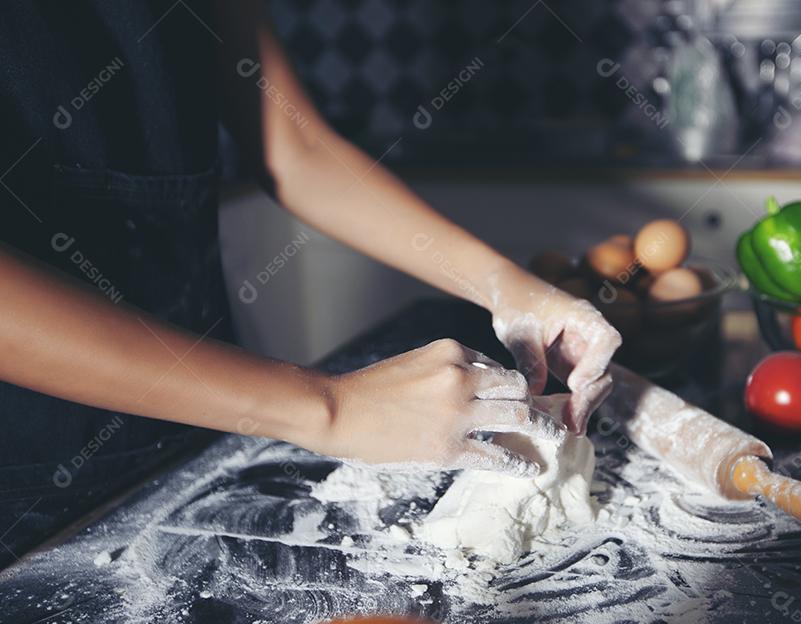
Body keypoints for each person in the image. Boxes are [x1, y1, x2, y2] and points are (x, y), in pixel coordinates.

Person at [0, 0, 620, 551]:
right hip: (27, 485)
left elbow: (298, 151)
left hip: (202, 425)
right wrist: (329, 408)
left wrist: (505, 285)